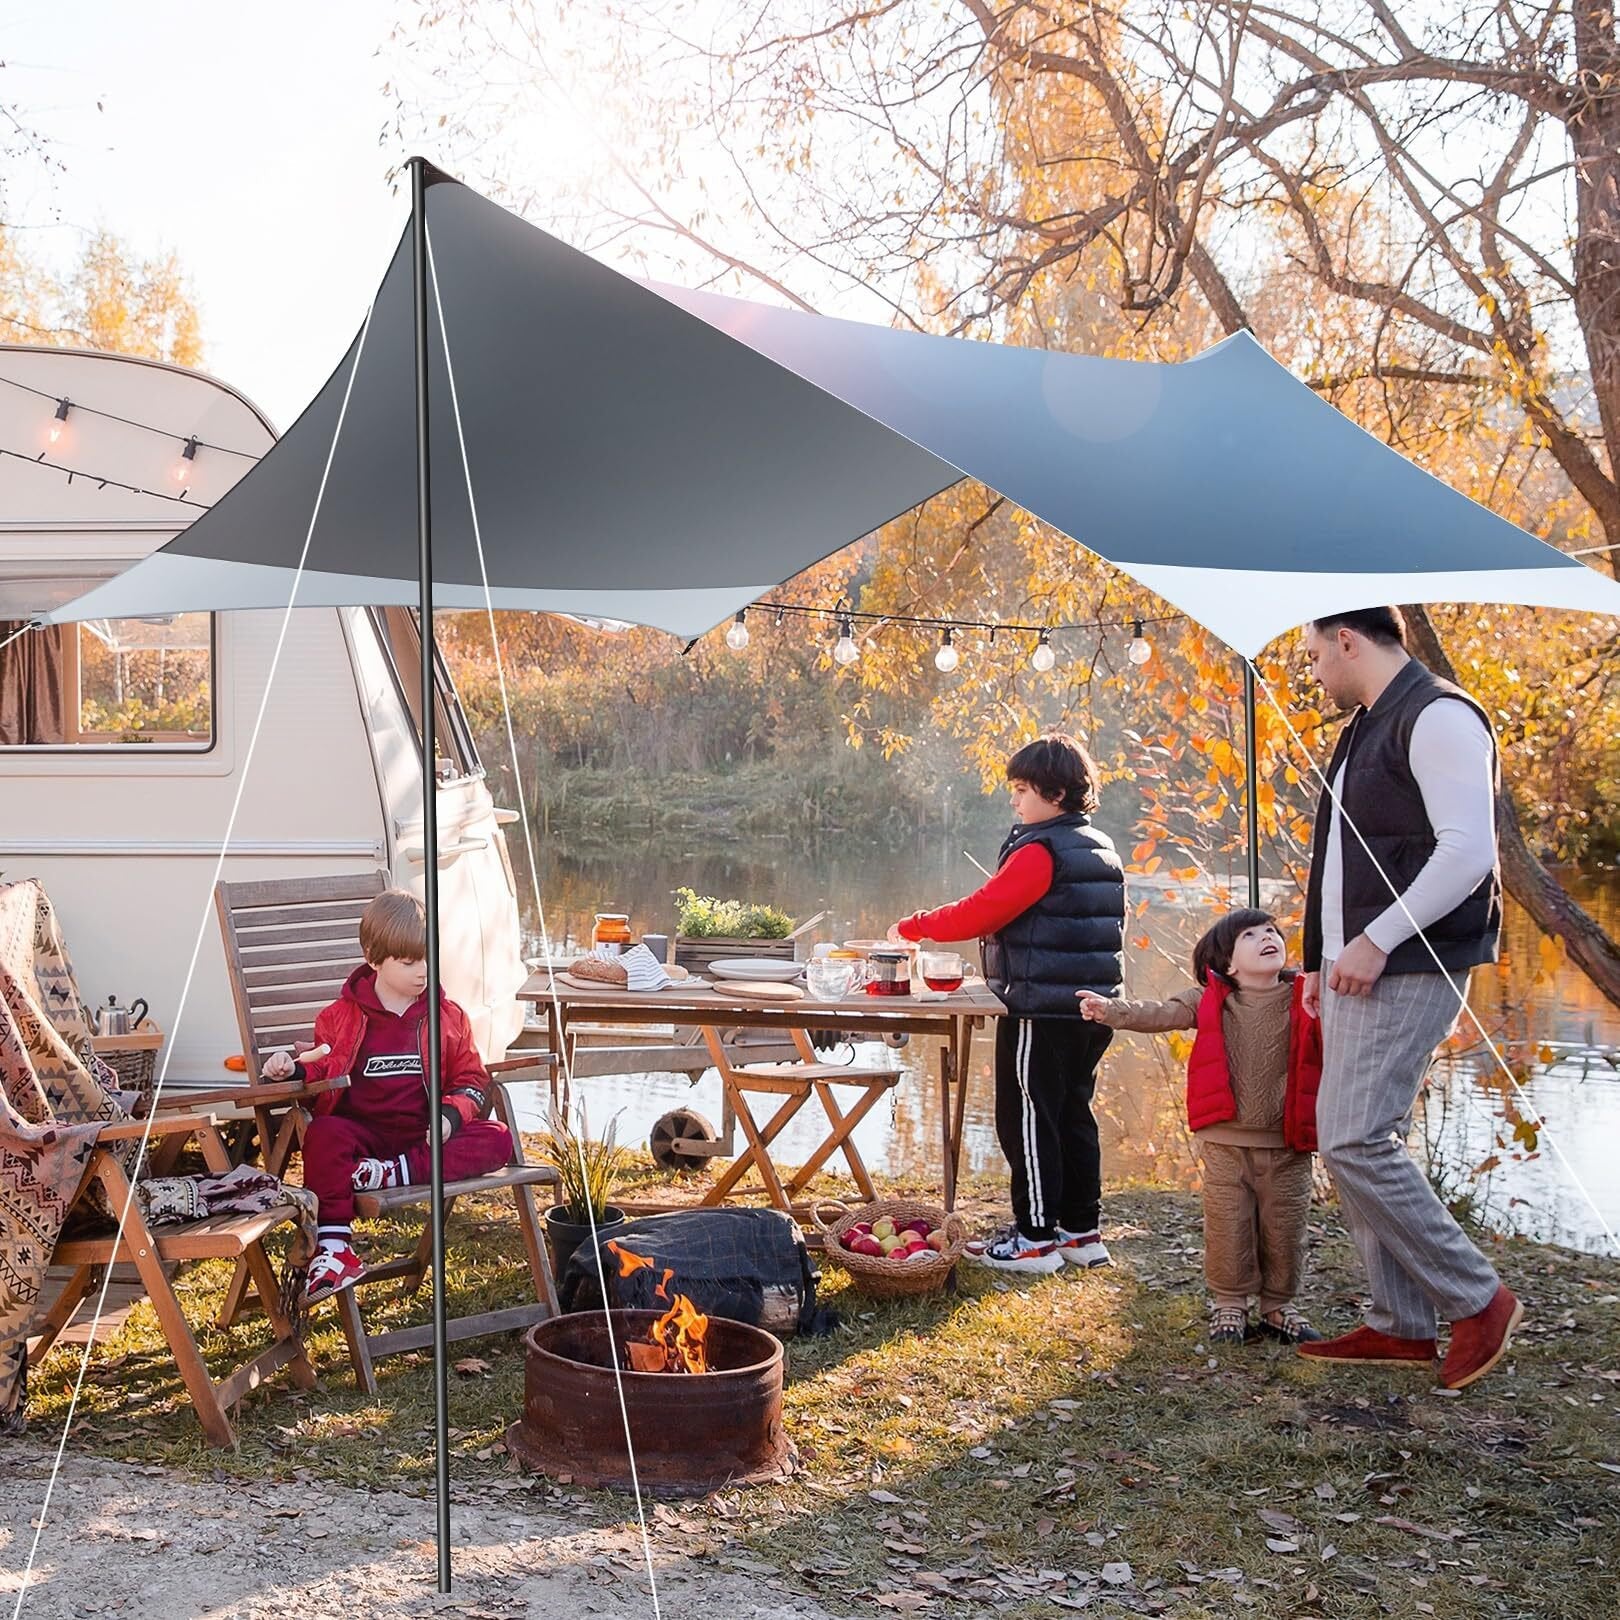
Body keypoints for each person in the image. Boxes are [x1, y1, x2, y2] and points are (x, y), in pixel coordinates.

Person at [1297, 606, 1521, 1389]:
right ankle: (1400, 1325)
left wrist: (1377, 939)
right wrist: (1318, 963)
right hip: (1359, 965)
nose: (1315, 671)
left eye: (1316, 655)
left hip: (1410, 962)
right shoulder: (1366, 723)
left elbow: (1467, 854)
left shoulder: (1440, 717)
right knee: (1348, 1136)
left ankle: (1477, 1300)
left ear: (1349, 641)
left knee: (1356, 1138)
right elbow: (1343, 864)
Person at [890, 733, 1124, 1273]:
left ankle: (1036, 1239)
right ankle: (1081, 1232)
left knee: (1026, 1118)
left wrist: (914, 926)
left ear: (1058, 791)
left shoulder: (1042, 850)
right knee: (1071, 1116)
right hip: (1093, 1007)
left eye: (1022, 790)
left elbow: (981, 912)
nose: (1015, 801)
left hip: (1040, 1009)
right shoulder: (1099, 846)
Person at [1078, 909, 1323, 1345]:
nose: (1267, 938)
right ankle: (1230, 1301)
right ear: (1227, 963)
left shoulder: (1305, 994)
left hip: (1288, 1141)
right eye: (1250, 935)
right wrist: (1111, 1010)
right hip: (1225, 1140)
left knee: (1285, 1226)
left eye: (1271, 932)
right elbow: (1158, 1013)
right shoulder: (1210, 998)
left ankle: (1277, 1306)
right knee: (1228, 1224)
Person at [263, 888, 512, 1301]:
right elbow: (322, 1066)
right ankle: (334, 1248)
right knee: (323, 1134)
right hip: (363, 1136)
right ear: (374, 958)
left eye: (428, 958)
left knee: (498, 1137)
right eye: (409, 961)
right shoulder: (339, 1017)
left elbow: (471, 1078)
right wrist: (293, 1069)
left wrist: (451, 1117)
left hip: (425, 1136)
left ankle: (391, 1172)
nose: (422, 971)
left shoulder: (448, 1017)